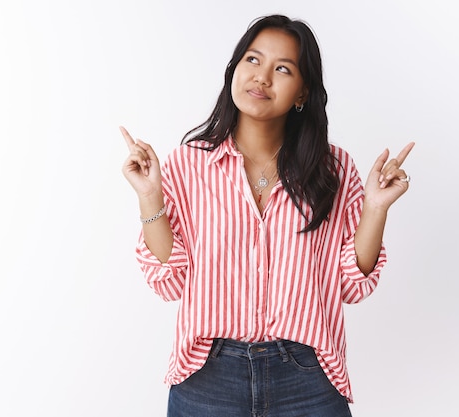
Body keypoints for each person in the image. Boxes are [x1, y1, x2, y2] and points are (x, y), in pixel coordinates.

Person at [121, 14, 414, 417]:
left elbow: (351, 284)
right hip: (208, 377)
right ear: (235, 70)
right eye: (253, 60)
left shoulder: (333, 169)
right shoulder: (189, 164)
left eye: (282, 69)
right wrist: (150, 196)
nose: (262, 77)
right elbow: (170, 281)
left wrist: (376, 208)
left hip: (307, 378)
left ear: (301, 92)